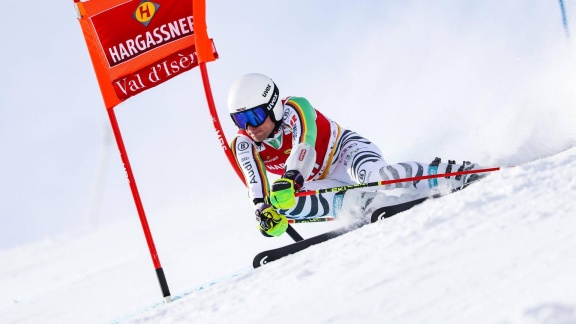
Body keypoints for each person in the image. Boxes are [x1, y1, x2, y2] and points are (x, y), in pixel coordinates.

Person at [228, 73, 483, 237]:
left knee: (379, 175)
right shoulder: (243, 142)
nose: (250, 127)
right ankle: (365, 203)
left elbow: (304, 146)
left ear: (273, 107)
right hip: (317, 182)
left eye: (254, 116)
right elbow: (255, 181)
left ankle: (450, 174)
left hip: (344, 153)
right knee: (282, 203)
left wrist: (292, 178)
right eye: (240, 119)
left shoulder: (296, 107)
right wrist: (264, 211)